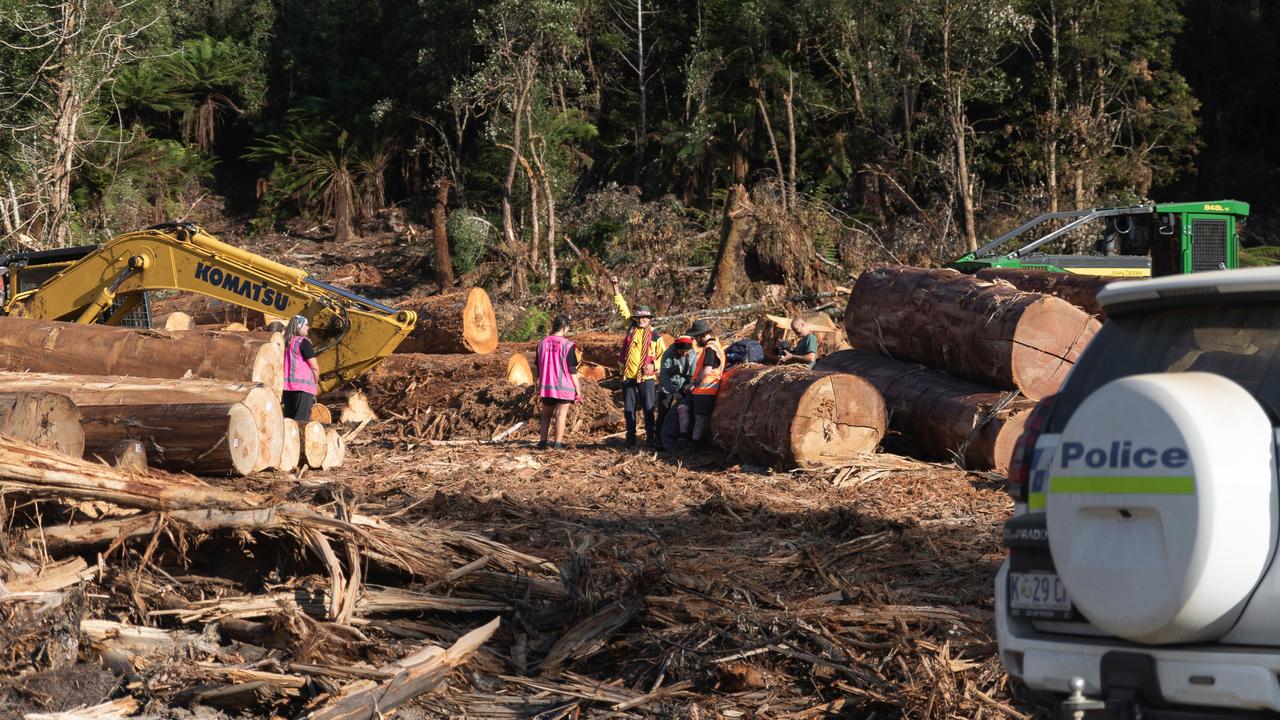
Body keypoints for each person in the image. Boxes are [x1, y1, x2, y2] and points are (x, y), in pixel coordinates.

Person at [617, 304, 662, 448]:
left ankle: (650, 438)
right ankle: (630, 438)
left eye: (645, 317)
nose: (642, 320)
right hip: (629, 376)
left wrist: (654, 366)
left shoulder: (655, 335)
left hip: (646, 377)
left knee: (648, 408)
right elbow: (623, 311)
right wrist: (616, 290)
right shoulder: (631, 329)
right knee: (629, 408)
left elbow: (663, 356)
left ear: (649, 319)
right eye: (639, 317)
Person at [535, 314, 579, 450]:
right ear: (565, 327)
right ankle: (557, 444)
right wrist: (578, 389)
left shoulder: (541, 344)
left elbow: (538, 366)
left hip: (547, 386)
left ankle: (542, 442)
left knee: (546, 415)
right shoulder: (568, 345)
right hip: (564, 387)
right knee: (561, 414)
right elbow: (572, 370)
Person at [686, 319, 724, 446]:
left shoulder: (710, 348)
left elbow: (707, 369)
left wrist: (694, 383)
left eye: (696, 337)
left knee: (699, 418)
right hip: (705, 388)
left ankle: (694, 444)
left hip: (705, 388)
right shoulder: (716, 345)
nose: (695, 341)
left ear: (701, 336)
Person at [657, 335, 697, 448]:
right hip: (667, 386)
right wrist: (674, 392)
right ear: (676, 348)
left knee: (682, 412)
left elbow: (692, 373)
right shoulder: (668, 354)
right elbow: (664, 376)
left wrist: (689, 386)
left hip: (683, 385)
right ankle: (658, 440)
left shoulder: (693, 353)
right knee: (663, 413)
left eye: (686, 351)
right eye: (681, 351)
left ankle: (679, 440)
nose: (684, 353)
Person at [282, 315, 321, 422]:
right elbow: (315, 368)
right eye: (306, 325)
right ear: (299, 326)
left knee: (288, 422)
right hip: (303, 388)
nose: (308, 328)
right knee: (301, 422)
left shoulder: (284, 342)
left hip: (287, 388)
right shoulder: (303, 342)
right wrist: (315, 383)